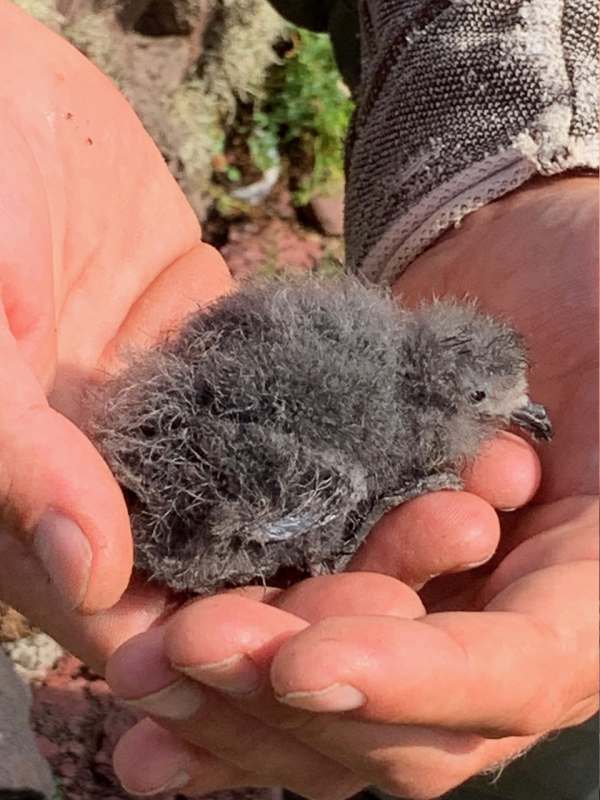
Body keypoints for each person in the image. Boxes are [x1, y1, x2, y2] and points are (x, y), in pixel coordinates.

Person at [0, 1, 596, 798]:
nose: (521, 415)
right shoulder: (378, 441)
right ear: (447, 395)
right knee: (329, 524)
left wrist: (524, 176)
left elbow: (239, 332)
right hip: (222, 473)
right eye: (496, 400)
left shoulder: (374, 344)